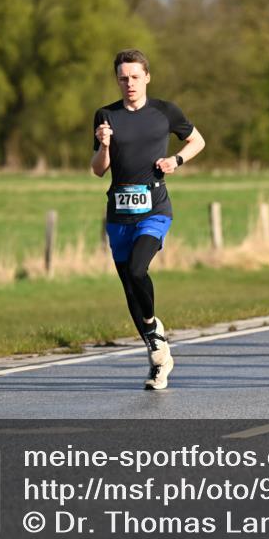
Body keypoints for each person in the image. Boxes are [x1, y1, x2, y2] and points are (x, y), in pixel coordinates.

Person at [91, 49, 205, 390]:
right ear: (117, 80)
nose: (129, 83)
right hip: (119, 213)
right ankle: (158, 358)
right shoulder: (106, 115)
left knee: (139, 269)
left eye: (135, 77)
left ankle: (153, 331)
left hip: (154, 208)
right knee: (129, 285)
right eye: (123, 78)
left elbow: (197, 140)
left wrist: (176, 161)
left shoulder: (164, 111)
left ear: (147, 78)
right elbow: (98, 170)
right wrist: (104, 145)